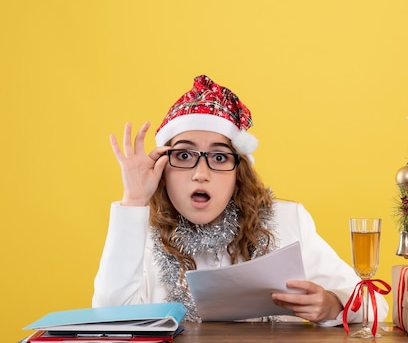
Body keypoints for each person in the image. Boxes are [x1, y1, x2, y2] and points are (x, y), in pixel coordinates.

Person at [92, 75, 389, 326]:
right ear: (162, 170)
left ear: (238, 173)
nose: (201, 173)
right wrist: (133, 200)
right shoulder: (139, 234)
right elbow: (109, 320)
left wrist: (333, 305)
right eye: (184, 155)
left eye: (219, 157)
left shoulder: (287, 223)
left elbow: (375, 304)